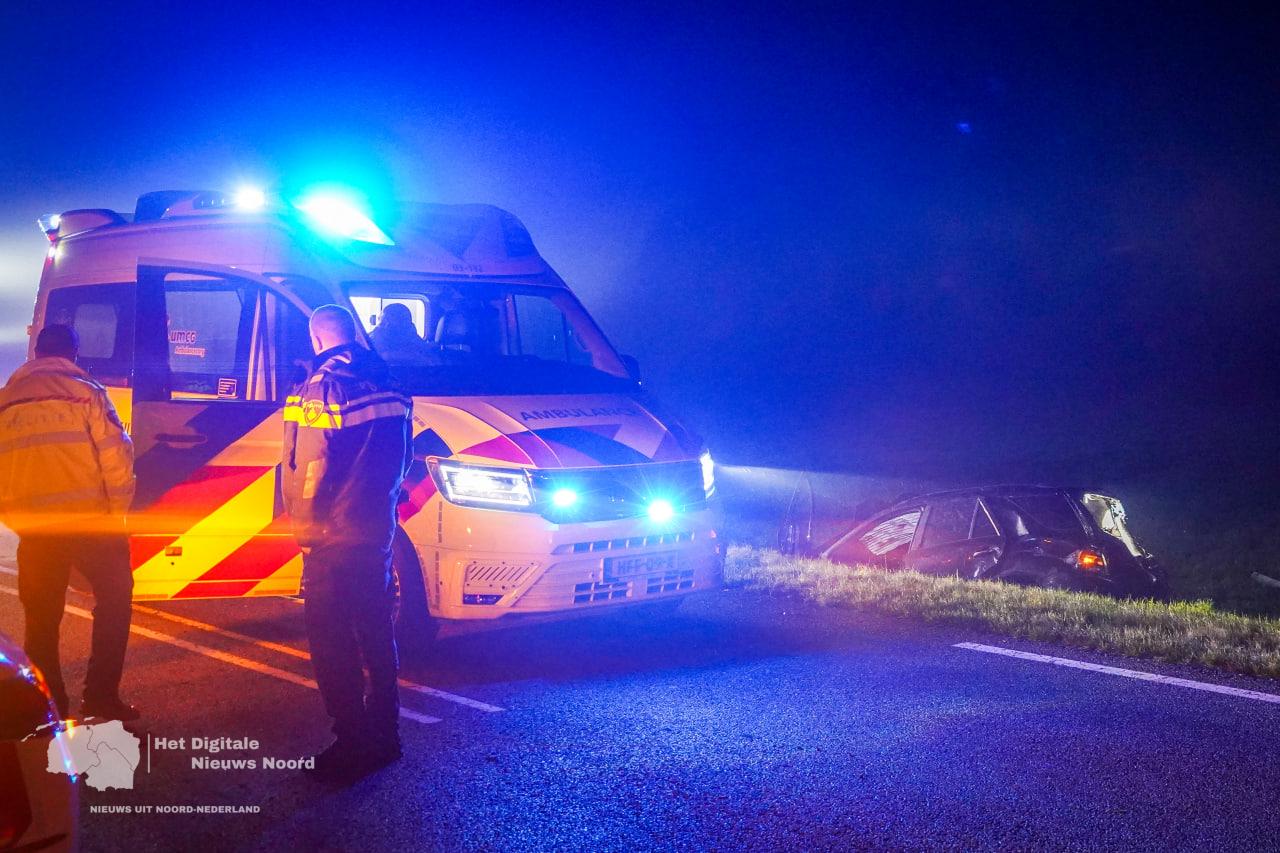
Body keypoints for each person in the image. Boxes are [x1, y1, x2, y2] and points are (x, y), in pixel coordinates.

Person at [282, 304, 413, 781]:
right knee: (377, 632)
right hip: (376, 529)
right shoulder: (392, 383)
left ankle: (351, 742)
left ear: (317, 338)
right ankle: (386, 734)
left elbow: (312, 468)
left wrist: (306, 532)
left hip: (332, 537)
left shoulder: (323, 385)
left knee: (332, 641)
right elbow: (404, 460)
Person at [0, 324, 137, 721]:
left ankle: (48, 707)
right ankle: (100, 698)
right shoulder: (86, 393)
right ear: (73, 354)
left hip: (37, 530)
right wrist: (116, 514)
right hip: (89, 521)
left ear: (37, 354)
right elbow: (116, 458)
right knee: (114, 600)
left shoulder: (6, 400)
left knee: (41, 619)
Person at [369, 303, 440, 365]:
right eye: (383, 321)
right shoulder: (375, 337)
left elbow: (432, 362)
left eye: (391, 320)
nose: (385, 324)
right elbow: (377, 357)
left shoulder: (413, 339)